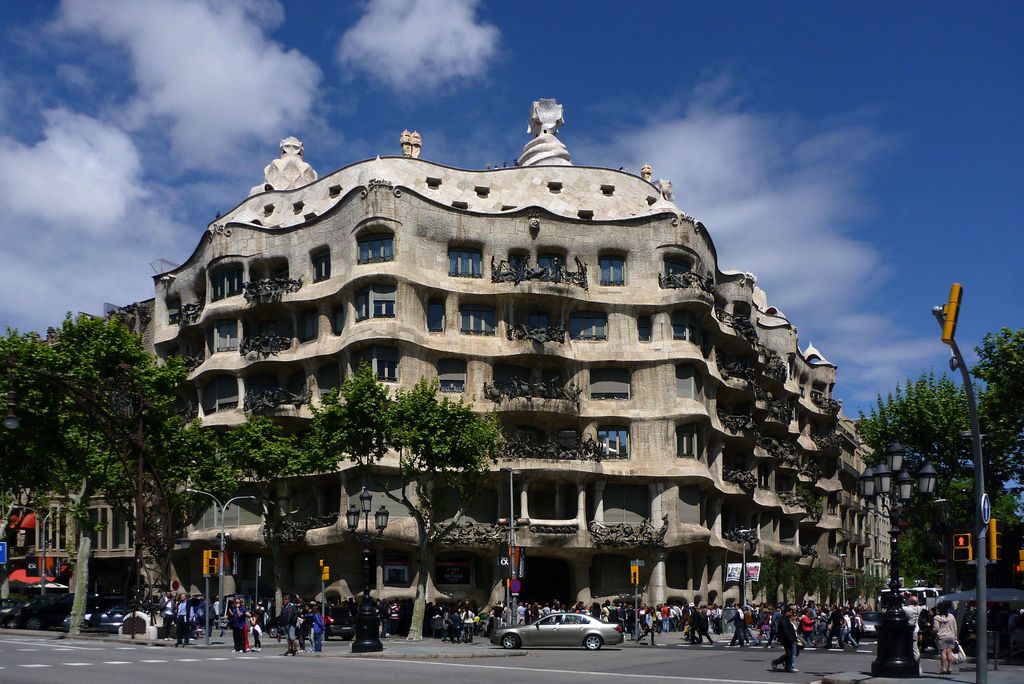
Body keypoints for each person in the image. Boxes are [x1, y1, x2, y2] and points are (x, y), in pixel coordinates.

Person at [771, 606, 800, 672]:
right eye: (790, 612)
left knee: (794, 652)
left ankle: (787, 665)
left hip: (792, 638)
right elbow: (785, 631)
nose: (791, 613)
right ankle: (778, 663)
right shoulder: (783, 619)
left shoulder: (787, 619)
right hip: (787, 639)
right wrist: (790, 639)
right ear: (787, 612)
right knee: (790, 653)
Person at [934, 603, 959, 675]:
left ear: (939, 609)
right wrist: (955, 636)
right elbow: (955, 627)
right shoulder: (951, 616)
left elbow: (936, 628)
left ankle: (943, 668)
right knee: (950, 652)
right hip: (951, 636)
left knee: (943, 652)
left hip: (942, 636)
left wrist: (934, 632)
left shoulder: (937, 617)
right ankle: (950, 668)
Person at [903, 595, 923, 669]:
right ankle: (916, 667)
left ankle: (917, 668)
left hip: (909, 632)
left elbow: (901, 608)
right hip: (915, 632)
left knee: (913, 650)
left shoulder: (908, 610)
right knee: (914, 649)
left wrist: (906, 599)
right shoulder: (919, 608)